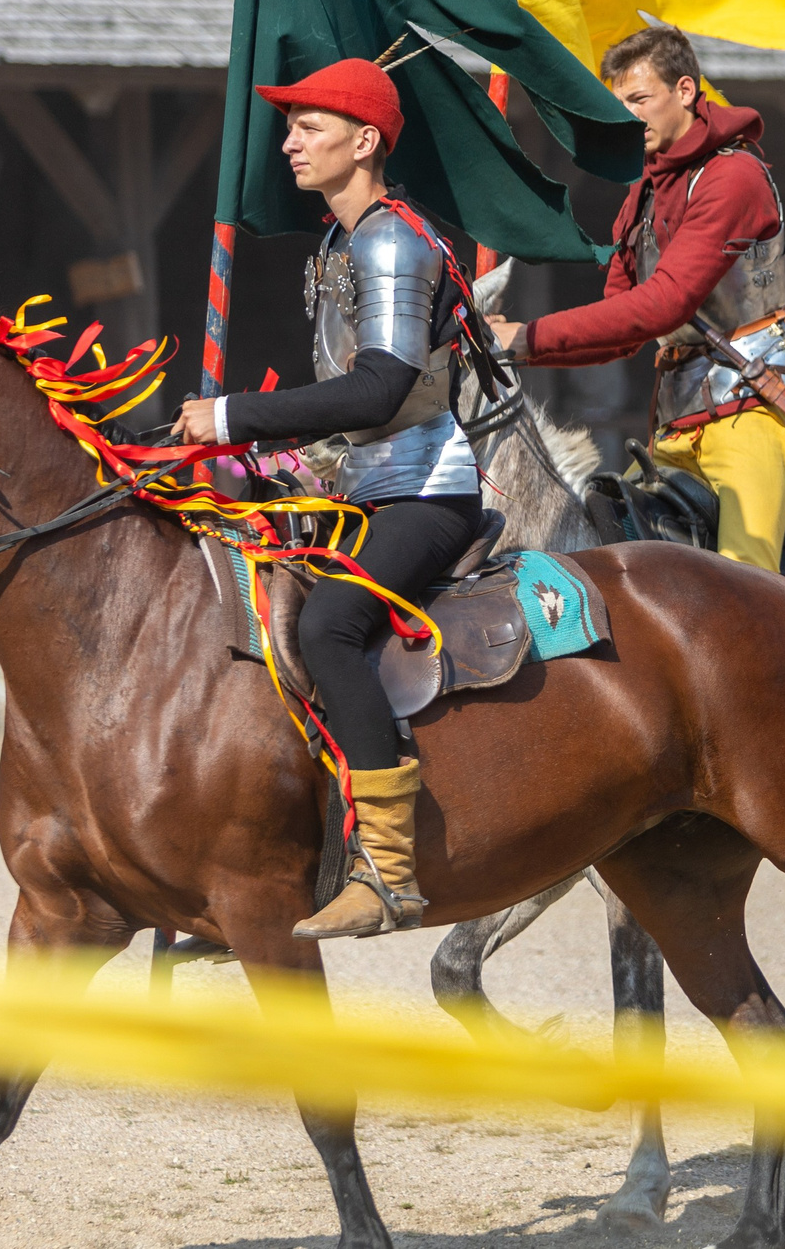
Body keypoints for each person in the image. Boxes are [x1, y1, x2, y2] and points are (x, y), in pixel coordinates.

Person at [174, 55, 481, 938]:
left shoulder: (390, 239)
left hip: (422, 493)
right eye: (290, 127)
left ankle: (389, 868)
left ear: (367, 140)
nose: (289, 142)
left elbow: (381, 389)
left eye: (309, 127)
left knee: (328, 626)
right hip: (353, 490)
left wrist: (236, 413)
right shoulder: (339, 243)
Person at [487, 25, 785, 572]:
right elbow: (622, 330)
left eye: (639, 99)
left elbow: (664, 304)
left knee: (748, 594)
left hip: (753, 411)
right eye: (620, 104)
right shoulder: (640, 195)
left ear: (685, 91)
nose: (627, 116)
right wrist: (516, 349)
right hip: (674, 426)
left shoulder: (734, 177)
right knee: (623, 572)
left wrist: (525, 335)